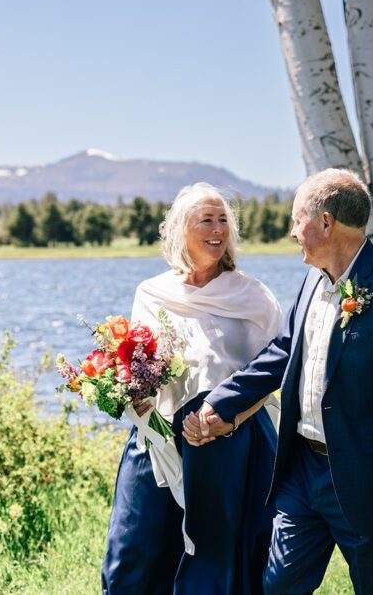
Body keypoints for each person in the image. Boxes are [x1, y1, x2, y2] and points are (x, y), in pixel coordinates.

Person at [184, 168, 373, 594]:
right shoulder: (312, 280)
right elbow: (283, 353)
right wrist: (222, 401)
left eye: (298, 220)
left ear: (325, 222)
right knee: (278, 587)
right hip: (302, 472)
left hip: (368, 478)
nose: (293, 231)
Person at [101, 183, 283, 595]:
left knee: (221, 556)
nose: (218, 229)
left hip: (234, 442)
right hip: (158, 440)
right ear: (182, 229)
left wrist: (229, 419)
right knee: (133, 551)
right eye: (207, 220)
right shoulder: (152, 293)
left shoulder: (253, 296)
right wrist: (131, 398)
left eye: (223, 220)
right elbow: (133, 367)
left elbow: (272, 371)